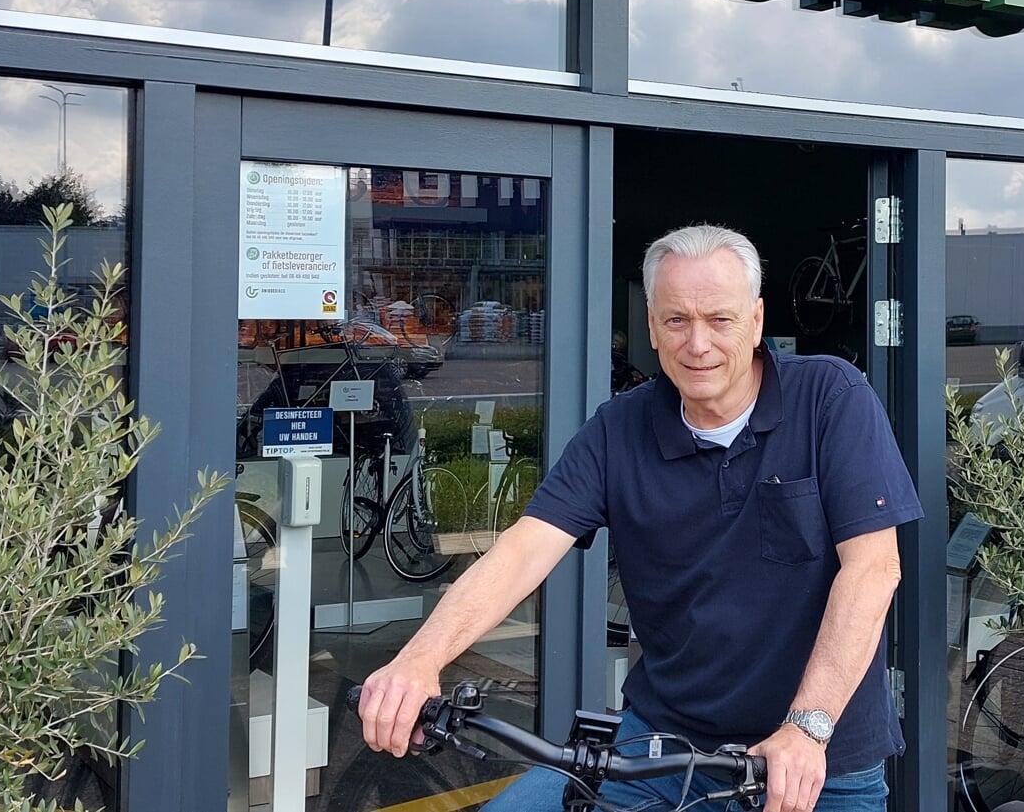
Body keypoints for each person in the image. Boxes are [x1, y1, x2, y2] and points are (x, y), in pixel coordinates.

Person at [359, 225, 922, 812]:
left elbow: (873, 569)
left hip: (815, 761)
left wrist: (808, 728)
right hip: (662, 746)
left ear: (756, 322)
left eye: (720, 320)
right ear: (652, 326)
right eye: (677, 320)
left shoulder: (830, 397)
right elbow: (525, 549)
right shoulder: (619, 428)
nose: (697, 343)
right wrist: (420, 660)